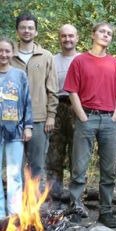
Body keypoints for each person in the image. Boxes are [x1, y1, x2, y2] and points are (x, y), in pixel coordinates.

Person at [64, 22, 116, 228]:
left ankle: (106, 211)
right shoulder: (80, 61)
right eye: (102, 31)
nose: (106, 35)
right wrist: (81, 115)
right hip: (87, 118)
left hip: (108, 120)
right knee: (79, 167)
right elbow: (72, 91)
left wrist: (115, 116)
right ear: (92, 34)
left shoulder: (114, 63)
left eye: (110, 33)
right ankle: (75, 207)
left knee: (108, 169)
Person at [0, 37, 33, 220]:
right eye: (0, 51)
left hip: (16, 132)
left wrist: (28, 126)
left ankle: (15, 213)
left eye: (7, 51)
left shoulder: (20, 75)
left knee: (14, 174)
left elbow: (26, 102)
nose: (3, 54)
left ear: (13, 52)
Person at [11, 12, 59, 183]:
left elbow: (52, 89)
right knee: (15, 165)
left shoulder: (46, 56)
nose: (27, 31)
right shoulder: (9, 55)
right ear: (17, 31)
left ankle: (33, 206)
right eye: (23, 28)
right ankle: (16, 204)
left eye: (30, 28)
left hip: (39, 118)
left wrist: (51, 116)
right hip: (12, 118)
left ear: (36, 31)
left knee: (36, 164)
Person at [46, 24, 79, 199]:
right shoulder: (51, 59)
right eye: (64, 36)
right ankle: (53, 198)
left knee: (77, 157)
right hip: (56, 108)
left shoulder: (83, 59)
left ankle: (76, 200)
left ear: (77, 38)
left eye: (71, 36)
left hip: (77, 109)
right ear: (59, 38)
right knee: (53, 157)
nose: (67, 39)